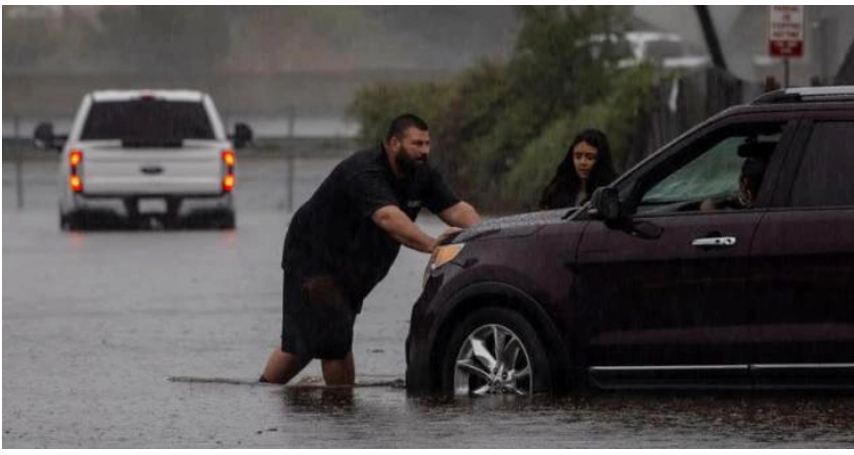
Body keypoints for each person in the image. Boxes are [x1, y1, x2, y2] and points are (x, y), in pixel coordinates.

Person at [260, 113, 481, 385]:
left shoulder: (423, 176)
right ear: (393, 143)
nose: (424, 151)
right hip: (314, 258)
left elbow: (457, 209)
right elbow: (388, 217)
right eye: (417, 144)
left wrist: (489, 235)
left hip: (354, 268)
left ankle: (265, 393)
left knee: (304, 343)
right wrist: (433, 245)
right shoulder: (365, 171)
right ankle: (343, 411)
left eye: (427, 144)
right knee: (336, 338)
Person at [539, 128, 617, 209]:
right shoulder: (557, 190)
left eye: (590, 157)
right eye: (578, 156)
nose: (582, 162)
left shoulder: (612, 191)